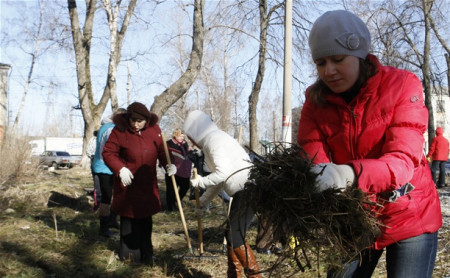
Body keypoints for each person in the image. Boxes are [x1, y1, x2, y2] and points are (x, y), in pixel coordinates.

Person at [297, 10, 442, 278]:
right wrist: (320, 179)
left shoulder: (402, 86)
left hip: (409, 212)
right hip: (353, 218)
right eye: (320, 63)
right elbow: (312, 154)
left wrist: (345, 174)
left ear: (360, 55)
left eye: (338, 59)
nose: (328, 71)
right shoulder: (315, 101)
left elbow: (401, 163)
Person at [183, 110, 261, 278]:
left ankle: (255, 276)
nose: (191, 140)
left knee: (235, 236)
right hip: (246, 190)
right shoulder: (215, 139)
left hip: (247, 190)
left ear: (196, 130)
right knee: (231, 234)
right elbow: (219, 180)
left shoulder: (213, 141)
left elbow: (222, 174)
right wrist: (202, 202)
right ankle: (233, 276)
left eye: (190, 136)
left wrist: (200, 182)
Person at [103, 102, 176, 265]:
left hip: (147, 184)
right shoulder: (119, 131)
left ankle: (147, 254)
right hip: (128, 185)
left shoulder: (154, 130)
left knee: (145, 220)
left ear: (147, 120)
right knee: (129, 221)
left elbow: (163, 151)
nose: (135, 124)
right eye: (132, 120)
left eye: (140, 121)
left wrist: (168, 164)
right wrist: (120, 168)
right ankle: (129, 257)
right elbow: (108, 152)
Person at [92, 109, 126, 237]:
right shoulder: (111, 129)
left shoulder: (105, 126)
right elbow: (112, 151)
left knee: (115, 195)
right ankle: (104, 229)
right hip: (106, 167)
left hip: (103, 166)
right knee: (106, 198)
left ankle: (111, 221)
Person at [164, 128, 193, 212]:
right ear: (175, 135)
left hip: (184, 170)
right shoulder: (169, 143)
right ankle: (170, 208)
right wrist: (168, 165)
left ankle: (177, 201)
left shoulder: (185, 144)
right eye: (180, 136)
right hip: (173, 170)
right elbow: (165, 155)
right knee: (171, 190)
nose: (182, 137)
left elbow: (188, 154)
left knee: (185, 186)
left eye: (183, 136)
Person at [87, 129, 101, 211]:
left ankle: (97, 205)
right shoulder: (95, 140)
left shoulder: (92, 139)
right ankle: (98, 205)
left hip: (94, 162)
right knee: (99, 184)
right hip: (99, 162)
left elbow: (88, 152)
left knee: (97, 184)